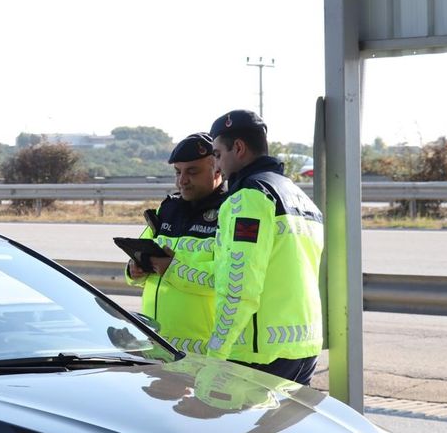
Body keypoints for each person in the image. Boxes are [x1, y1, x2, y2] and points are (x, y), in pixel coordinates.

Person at [204, 109, 323, 385]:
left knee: (231, 429)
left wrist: (215, 354)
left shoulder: (249, 197)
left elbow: (239, 285)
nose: (216, 166)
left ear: (239, 148)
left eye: (218, 154)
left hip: (257, 353)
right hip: (303, 348)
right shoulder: (299, 196)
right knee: (281, 430)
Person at [124, 133, 227, 354]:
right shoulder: (168, 208)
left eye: (192, 171)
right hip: (156, 346)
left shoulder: (230, 211)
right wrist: (133, 270)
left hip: (204, 352)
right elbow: (138, 250)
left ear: (217, 169)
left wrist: (172, 269)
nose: (182, 180)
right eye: (178, 172)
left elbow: (228, 279)